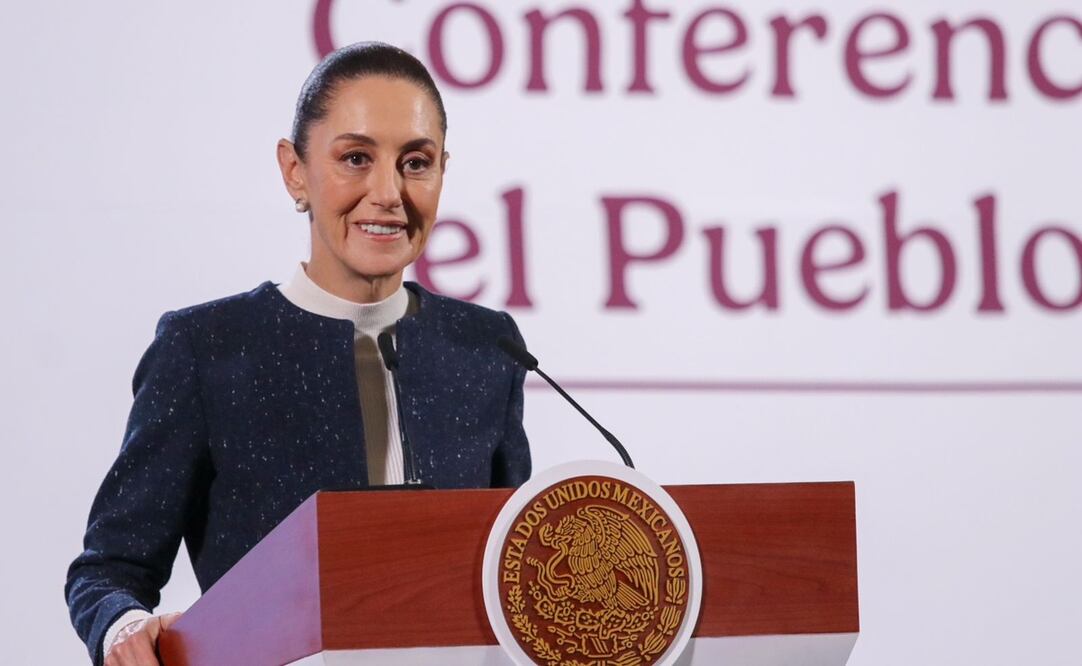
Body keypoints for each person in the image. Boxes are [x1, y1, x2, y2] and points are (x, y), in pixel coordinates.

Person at [65, 42, 531, 666]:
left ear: (442, 171)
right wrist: (123, 625)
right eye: (356, 158)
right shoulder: (206, 349)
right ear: (295, 171)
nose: (388, 192)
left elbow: (519, 566)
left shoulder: (486, 347)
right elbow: (109, 569)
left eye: (415, 162)